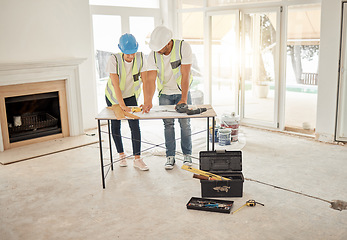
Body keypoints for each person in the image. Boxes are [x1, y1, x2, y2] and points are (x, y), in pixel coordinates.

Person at [142, 26, 193, 170]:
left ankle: (187, 155)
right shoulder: (153, 54)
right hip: (164, 93)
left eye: (160, 47)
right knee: (168, 125)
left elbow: (185, 75)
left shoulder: (183, 47)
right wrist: (148, 101)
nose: (158, 50)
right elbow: (150, 79)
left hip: (181, 91)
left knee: (185, 124)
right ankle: (170, 156)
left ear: (169, 42)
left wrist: (184, 98)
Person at [105, 33, 148, 171]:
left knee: (135, 125)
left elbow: (146, 81)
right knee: (116, 124)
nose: (131, 56)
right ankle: (121, 155)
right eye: (127, 54)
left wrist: (147, 101)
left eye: (133, 53)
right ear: (121, 50)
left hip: (130, 95)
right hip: (113, 96)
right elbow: (116, 85)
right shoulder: (114, 60)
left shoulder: (141, 58)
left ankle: (137, 159)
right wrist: (122, 106)